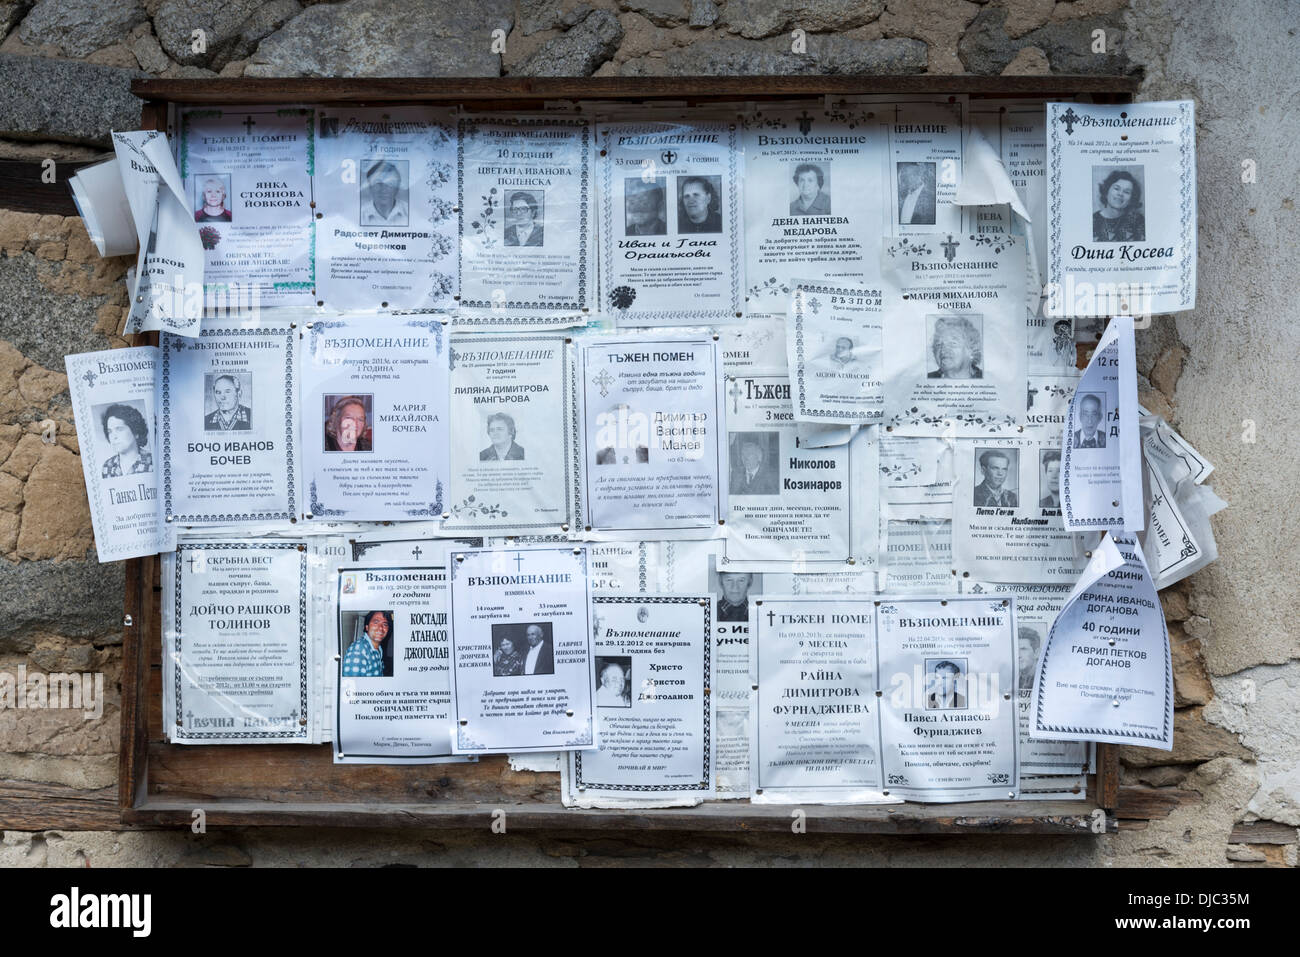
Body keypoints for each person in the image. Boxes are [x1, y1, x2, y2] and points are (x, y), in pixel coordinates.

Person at [100, 403, 153, 478]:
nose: (113, 437)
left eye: (119, 429)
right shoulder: (107, 466)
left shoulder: (152, 462)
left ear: (136, 432)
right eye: (110, 431)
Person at [1092, 170, 1144, 242]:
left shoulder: (1138, 221)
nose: (1120, 194)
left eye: (1126, 192)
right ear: (1106, 190)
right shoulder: (1093, 221)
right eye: (1116, 188)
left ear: (1131, 198)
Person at [341, 610, 391, 678]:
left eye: (385, 624)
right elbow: (354, 685)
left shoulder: (379, 649)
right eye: (376, 622)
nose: (381, 628)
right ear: (367, 627)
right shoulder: (359, 650)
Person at [359, 160, 407, 225]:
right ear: (369, 186)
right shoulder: (359, 214)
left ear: (397, 187)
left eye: (389, 183)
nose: (383, 189)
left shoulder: (410, 211)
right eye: (378, 182)